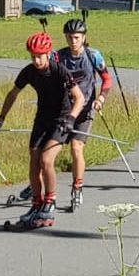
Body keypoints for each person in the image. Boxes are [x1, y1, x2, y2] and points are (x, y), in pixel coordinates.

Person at [0, 32, 87, 230]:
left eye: (39, 56)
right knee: (34, 161)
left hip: (62, 119)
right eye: (32, 56)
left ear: (48, 53)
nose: (36, 60)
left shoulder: (59, 70)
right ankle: (36, 204)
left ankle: (49, 204)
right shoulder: (29, 71)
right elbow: (13, 94)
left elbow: (80, 98)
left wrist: (71, 119)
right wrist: (0, 119)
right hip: (42, 119)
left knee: (46, 160)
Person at [54, 17, 113, 210]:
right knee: (49, 149)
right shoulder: (59, 57)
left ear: (83, 37)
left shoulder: (93, 55)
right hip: (64, 110)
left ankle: (77, 187)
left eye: (77, 37)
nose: (73, 41)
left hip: (86, 109)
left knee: (76, 148)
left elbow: (106, 79)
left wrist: (101, 98)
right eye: (70, 37)